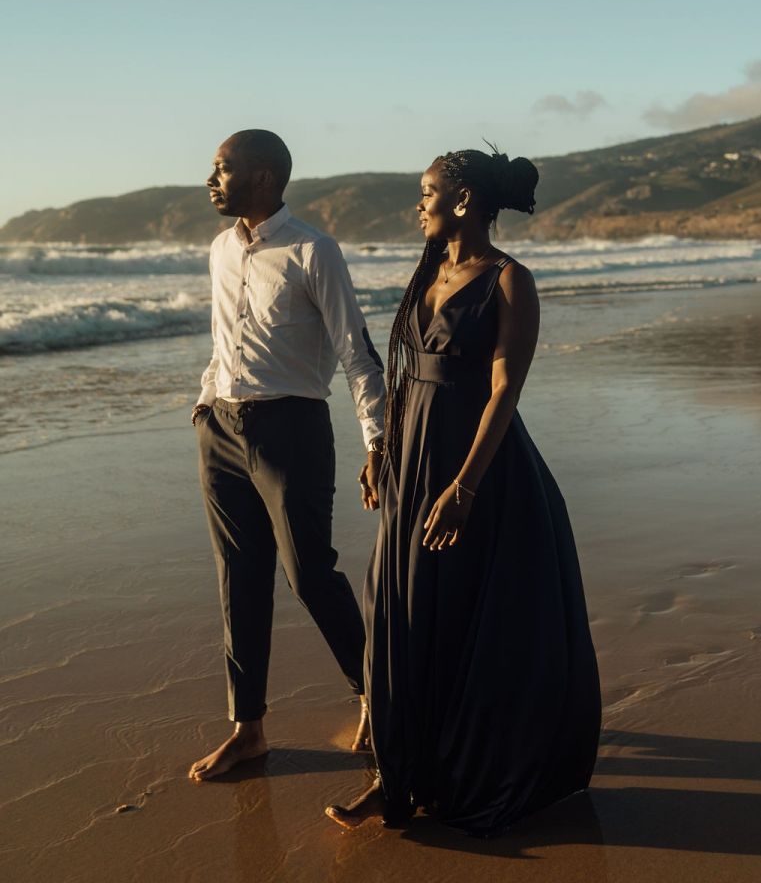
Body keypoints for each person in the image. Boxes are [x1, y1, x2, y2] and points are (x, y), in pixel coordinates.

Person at [326, 146, 601, 834]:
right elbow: (406, 368)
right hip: (413, 461)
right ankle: (398, 776)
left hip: (477, 471)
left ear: (464, 200)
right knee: (395, 610)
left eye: (426, 192)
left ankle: (433, 777)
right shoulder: (430, 271)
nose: (416, 204)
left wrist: (465, 488)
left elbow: (504, 390)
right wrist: (381, 448)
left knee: (453, 619)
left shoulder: (510, 280)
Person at [188, 130, 386, 781]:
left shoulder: (313, 250)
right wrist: (204, 400)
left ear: (265, 177)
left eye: (224, 169)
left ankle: (378, 700)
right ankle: (247, 730)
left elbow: (356, 350)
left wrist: (377, 440)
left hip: (291, 427)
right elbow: (225, 339)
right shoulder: (220, 249)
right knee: (237, 579)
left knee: (309, 574)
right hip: (221, 428)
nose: (212, 180)